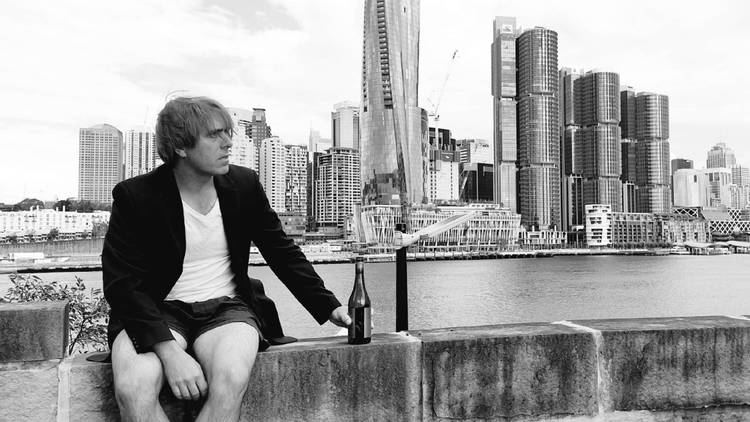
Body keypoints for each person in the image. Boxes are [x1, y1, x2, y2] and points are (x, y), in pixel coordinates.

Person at [102, 96, 351, 422]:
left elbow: (281, 250)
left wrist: (328, 305)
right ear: (180, 147)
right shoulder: (136, 196)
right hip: (157, 309)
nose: (228, 143)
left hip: (226, 308)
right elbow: (122, 285)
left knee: (231, 378)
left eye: (228, 133)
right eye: (214, 135)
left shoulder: (243, 185)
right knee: (134, 387)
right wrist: (170, 353)